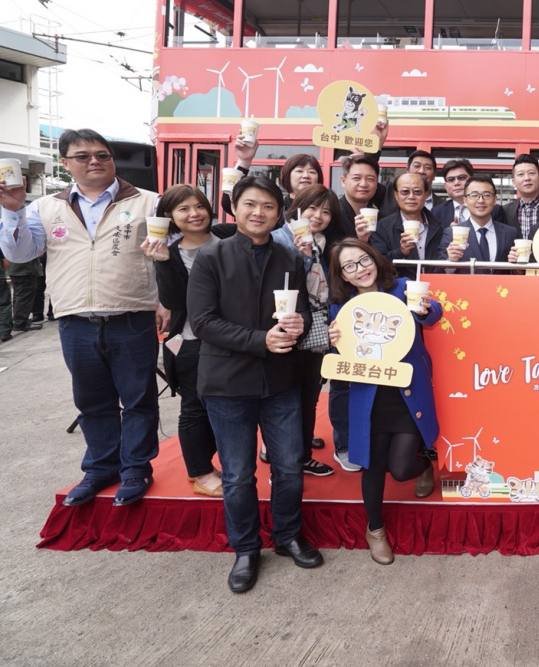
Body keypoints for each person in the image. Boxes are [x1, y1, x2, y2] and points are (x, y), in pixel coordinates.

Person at [0, 128, 162, 507]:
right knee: (92, 401)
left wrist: (166, 300)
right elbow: (22, 253)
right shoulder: (44, 207)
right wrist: (12, 210)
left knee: (138, 400)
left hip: (132, 315)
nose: (94, 161)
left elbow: (169, 256)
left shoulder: (147, 201)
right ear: (65, 163)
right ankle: (100, 467)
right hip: (76, 321)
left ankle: (136, 469)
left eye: (102, 155)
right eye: (83, 155)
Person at [187, 174, 322, 593]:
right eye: (250, 204)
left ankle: (287, 536)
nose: (258, 213)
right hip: (228, 382)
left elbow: (299, 316)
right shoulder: (211, 257)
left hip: (281, 381)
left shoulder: (288, 258)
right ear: (234, 207)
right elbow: (203, 322)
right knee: (239, 474)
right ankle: (246, 548)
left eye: (267, 206)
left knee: (288, 468)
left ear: (279, 213)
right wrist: (260, 340)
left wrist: (300, 325)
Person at [327, 240, 443, 565]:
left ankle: (422, 467)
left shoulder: (403, 288)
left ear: (375, 260)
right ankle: (375, 529)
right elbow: (342, 355)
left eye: (363, 260)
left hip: (407, 393)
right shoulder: (341, 308)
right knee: (374, 464)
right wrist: (332, 341)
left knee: (402, 467)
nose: (360, 269)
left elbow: (434, 314)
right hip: (369, 397)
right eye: (349, 266)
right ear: (343, 276)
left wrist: (424, 309)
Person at [142, 184, 227, 497]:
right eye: (183, 209)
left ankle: (213, 463)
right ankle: (200, 471)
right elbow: (176, 300)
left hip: (230, 341)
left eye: (199, 206)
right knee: (194, 407)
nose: (194, 214)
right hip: (190, 342)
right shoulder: (170, 252)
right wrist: (163, 261)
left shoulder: (227, 237)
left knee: (222, 406)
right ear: (169, 217)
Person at [268, 184, 342, 478]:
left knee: (309, 397)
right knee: (285, 402)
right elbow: (280, 284)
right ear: (296, 207)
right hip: (284, 332)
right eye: (312, 208)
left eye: (326, 211)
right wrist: (303, 257)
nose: (318, 215)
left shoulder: (321, 242)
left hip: (314, 333)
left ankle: (302, 458)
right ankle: (282, 466)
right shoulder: (278, 239)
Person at [437, 175, 517, 272]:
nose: (481, 201)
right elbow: (440, 272)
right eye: (474, 195)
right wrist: (451, 261)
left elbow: (514, 272)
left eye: (487, 195)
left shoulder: (510, 233)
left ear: (495, 200)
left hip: (500, 287)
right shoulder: (451, 233)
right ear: (465, 201)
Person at [372, 172, 444, 279]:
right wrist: (400, 252)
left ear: (425, 195)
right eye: (405, 192)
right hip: (399, 290)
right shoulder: (382, 227)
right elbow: (378, 265)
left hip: (435, 288)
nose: (411, 197)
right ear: (396, 195)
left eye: (417, 192)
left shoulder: (438, 226)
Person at [501, 154, 539, 239]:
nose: (527, 178)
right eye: (521, 174)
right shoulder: (505, 211)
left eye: (531, 173)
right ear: (513, 182)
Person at [337, 153, 382, 241]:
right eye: (356, 178)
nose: (363, 184)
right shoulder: (333, 215)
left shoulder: (381, 218)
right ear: (343, 181)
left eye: (370, 179)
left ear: (376, 183)